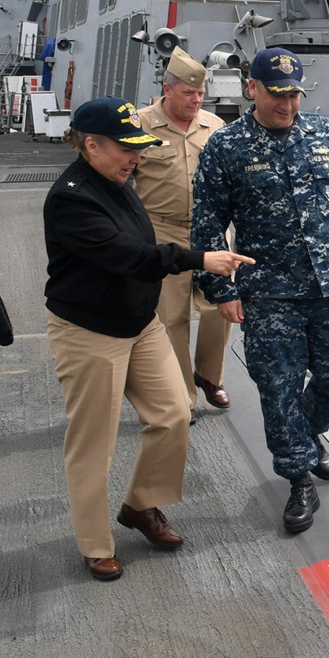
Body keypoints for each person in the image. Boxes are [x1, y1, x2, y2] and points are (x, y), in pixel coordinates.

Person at [191, 48, 329, 535]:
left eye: (294, 94)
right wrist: (220, 289)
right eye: (276, 94)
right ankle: (298, 477)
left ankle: (305, 438)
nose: (286, 105)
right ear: (253, 89)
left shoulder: (327, 134)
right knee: (279, 387)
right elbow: (206, 226)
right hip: (269, 294)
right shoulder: (226, 148)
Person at [43, 97, 253, 582]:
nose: (135, 158)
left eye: (138, 148)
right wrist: (202, 259)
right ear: (91, 145)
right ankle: (96, 544)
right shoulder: (71, 197)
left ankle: (140, 505)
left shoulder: (117, 181)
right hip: (90, 333)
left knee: (175, 413)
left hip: (139, 324)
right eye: (126, 149)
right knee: (93, 443)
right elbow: (129, 256)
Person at [135, 47, 232, 423]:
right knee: (171, 317)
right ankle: (182, 396)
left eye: (200, 93)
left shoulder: (214, 125)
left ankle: (209, 376)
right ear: (167, 89)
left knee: (219, 310)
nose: (197, 99)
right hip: (163, 231)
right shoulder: (141, 125)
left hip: (212, 232)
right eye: (189, 93)